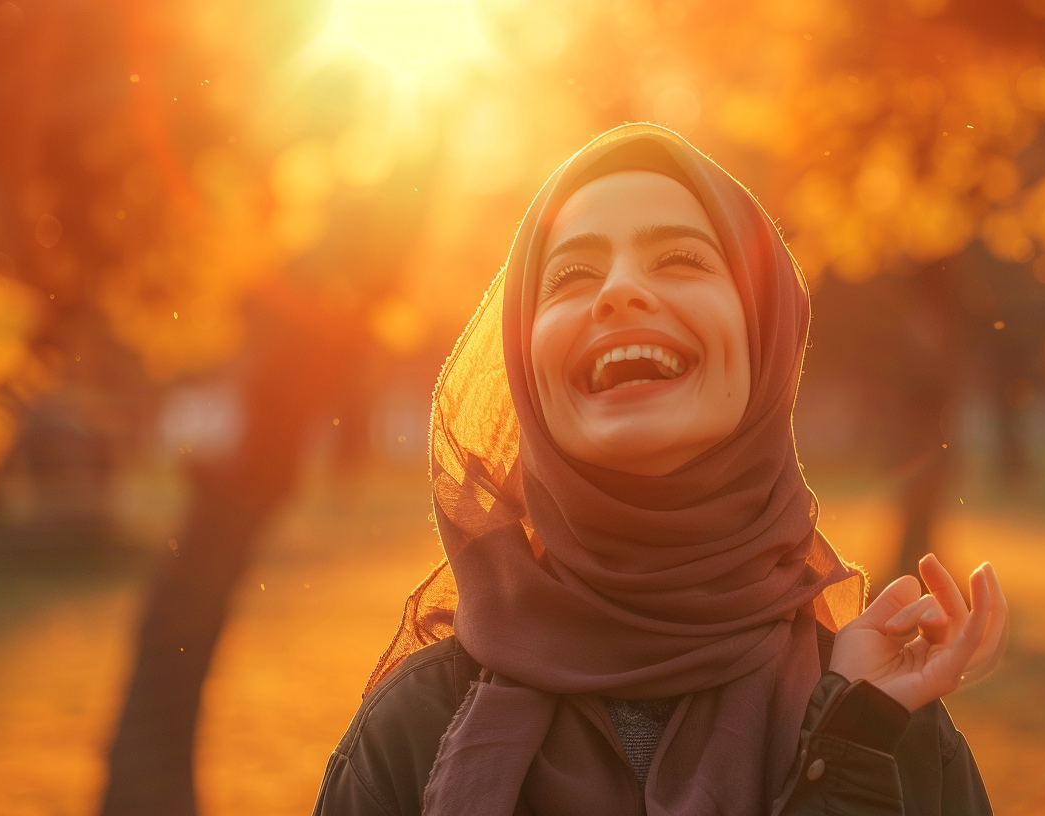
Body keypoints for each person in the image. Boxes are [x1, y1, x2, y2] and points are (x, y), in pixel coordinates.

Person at [313, 123, 1007, 816]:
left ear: (765, 333)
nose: (617, 291)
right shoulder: (413, 733)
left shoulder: (887, 731)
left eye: (680, 259)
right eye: (571, 275)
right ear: (525, 368)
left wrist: (847, 757)